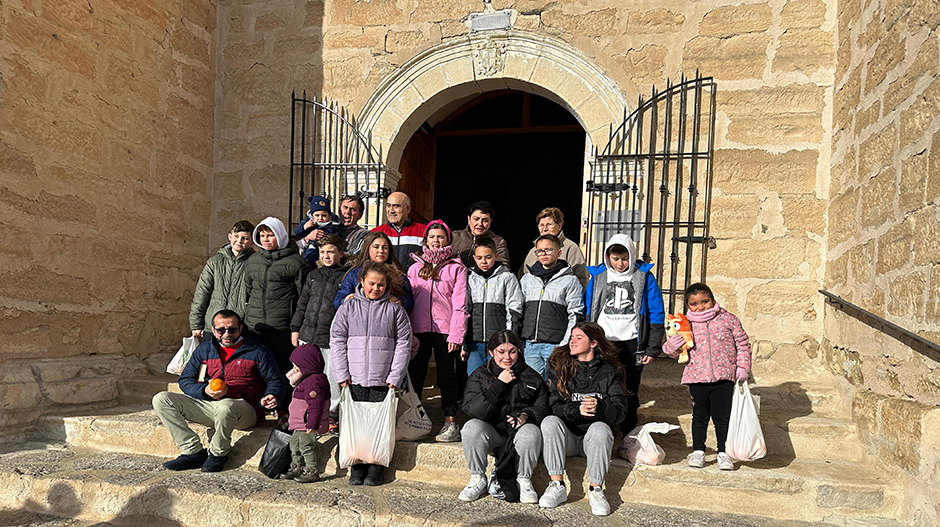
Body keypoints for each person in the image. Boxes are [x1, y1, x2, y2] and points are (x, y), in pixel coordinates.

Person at [153, 310, 285, 473]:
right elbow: (185, 379)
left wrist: (272, 396)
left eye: (232, 329)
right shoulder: (204, 350)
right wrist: (204, 391)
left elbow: (276, 381)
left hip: (244, 411)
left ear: (240, 328)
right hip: (210, 406)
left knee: (226, 406)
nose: (226, 334)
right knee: (161, 398)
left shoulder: (258, 351)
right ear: (213, 330)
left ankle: (218, 454)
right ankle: (192, 451)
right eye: (221, 330)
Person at [330, 261, 413, 486]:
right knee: (356, 425)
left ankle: (376, 466)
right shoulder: (348, 307)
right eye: (371, 284)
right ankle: (357, 466)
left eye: (381, 285)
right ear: (362, 282)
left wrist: (395, 376)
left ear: (387, 286)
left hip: (383, 379)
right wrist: (341, 372)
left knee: (378, 425)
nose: (375, 289)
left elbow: (404, 344)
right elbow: (337, 340)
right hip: (354, 378)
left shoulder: (395, 310)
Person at [538, 322, 627, 516]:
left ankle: (596, 489)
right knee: (549, 422)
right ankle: (557, 484)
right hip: (567, 439)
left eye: (579, 337)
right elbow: (553, 405)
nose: (573, 341)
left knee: (601, 429)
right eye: (572, 337)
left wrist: (600, 406)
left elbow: (620, 412)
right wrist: (577, 409)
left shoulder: (610, 372)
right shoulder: (559, 367)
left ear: (594, 343)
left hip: (594, 443)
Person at [662, 283, 752, 471]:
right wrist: (672, 345)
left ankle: (723, 452)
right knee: (700, 416)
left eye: (705, 301)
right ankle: (698, 451)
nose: (700, 307)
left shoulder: (728, 319)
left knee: (722, 416)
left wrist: (743, 365)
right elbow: (671, 352)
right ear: (687, 305)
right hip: (697, 377)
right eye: (694, 304)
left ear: (712, 299)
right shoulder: (684, 324)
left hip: (724, 377)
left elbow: (743, 344)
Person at [584, 234, 665, 435]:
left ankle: (628, 433)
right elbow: (588, 308)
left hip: (632, 342)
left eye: (625, 258)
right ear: (608, 256)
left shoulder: (643, 276)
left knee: (629, 388)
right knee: (601, 386)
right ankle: (603, 432)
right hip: (603, 341)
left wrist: (652, 346)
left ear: (632, 255)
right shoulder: (599, 276)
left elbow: (656, 311)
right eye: (615, 259)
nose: (620, 264)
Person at [459, 330, 547, 504]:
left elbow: (544, 407)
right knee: (471, 427)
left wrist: (526, 415)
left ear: (519, 351)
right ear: (491, 352)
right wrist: (498, 384)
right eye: (501, 352)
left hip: (519, 435)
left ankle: (524, 479)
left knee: (531, 431)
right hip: (494, 433)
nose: (507, 357)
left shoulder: (532, 376)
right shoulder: (480, 375)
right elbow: (472, 409)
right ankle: (477, 477)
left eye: (512, 351)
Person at [407, 220, 470, 442]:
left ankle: (450, 422)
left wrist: (456, 335)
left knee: (446, 376)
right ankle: (412, 419)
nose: (436, 240)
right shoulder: (415, 267)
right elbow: (409, 300)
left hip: (445, 330)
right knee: (416, 374)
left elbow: (461, 304)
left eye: (440, 237)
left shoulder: (456, 268)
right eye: (432, 236)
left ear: (447, 240)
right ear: (426, 240)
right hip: (419, 329)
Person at [290, 234, 348, 433]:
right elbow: (302, 303)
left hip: (330, 338)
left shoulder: (346, 275)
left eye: (331, 252)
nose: (326, 256)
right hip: (307, 334)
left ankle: (330, 415)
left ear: (340, 253)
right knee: (303, 377)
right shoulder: (313, 275)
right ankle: (304, 411)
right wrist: (295, 329)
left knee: (331, 378)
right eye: (322, 252)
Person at [244, 217, 310, 376]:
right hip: (255, 327)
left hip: (281, 328)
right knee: (256, 371)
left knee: (282, 370)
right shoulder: (252, 260)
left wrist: (297, 325)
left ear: (280, 236)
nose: (266, 239)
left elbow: (304, 296)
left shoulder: (296, 263)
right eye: (262, 235)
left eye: (270, 235)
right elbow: (247, 291)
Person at [520, 234, 584, 378]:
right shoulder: (527, 280)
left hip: (555, 345)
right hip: (530, 345)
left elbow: (575, 314)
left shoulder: (570, 281)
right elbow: (519, 312)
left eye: (548, 250)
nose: (543, 254)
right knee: (533, 386)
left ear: (559, 252)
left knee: (555, 385)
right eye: (539, 251)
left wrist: (565, 343)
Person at [464, 238, 523, 375]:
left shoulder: (507, 278)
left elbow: (514, 311)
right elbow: (464, 310)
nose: (484, 262)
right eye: (479, 258)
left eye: (488, 257)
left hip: (499, 342)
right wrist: (463, 342)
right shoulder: (469, 278)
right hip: (474, 341)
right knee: (475, 376)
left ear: (496, 256)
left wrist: (510, 339)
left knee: (499, 376)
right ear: (474, 258)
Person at [189, 220, 255, 340]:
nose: (239, 241)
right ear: (230, 237)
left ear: (252, 242)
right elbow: (202, 293)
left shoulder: (254, 263)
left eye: (244, 238)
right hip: (214, 326)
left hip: (239, 327)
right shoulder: (214, 262)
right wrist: (196, 323)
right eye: (236, 236)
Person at [282, 343, 329, 483]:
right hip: (299, 423)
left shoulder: (314, 382)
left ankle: (312, 470)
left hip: (307, 423)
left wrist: (312, 424)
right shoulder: (306, 379)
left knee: (306, 446)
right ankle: (297, 466)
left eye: (297, 365)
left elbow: (316, 405)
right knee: (294, 444)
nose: (295, 368)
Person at [334, 231, 414, 313]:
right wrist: (344, 300)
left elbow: (409, 300)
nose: (381, 251)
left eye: (385, 247)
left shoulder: (398, 275)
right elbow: (338, 300)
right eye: (376, 247)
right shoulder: (354, 274)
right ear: (367, 248)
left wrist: (400, 300)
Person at [519, 207, 588, 288]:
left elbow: (581, 280)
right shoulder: (533, 251)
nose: (544, 229)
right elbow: (523, 278)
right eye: (541, 225)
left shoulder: (571, 248)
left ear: (559, 226)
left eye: (549, 225)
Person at [372, 191, 426, 271]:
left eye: (396, 206)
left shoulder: (423, 231)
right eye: (388, 206)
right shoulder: (376, 232)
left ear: (408, 209)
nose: (391, 210)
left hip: (413, 282)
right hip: (383, 282)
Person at [451, 201, 510, 267]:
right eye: (476, 219)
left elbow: (504, 268)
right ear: (469, 219)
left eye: (485, 220)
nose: (480, 224)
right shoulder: (454, 237)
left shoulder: (498, 242)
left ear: (490, 222)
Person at [293, 195, 341, 268]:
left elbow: (336, 238)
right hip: (311, 247)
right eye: (317, 215)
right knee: (310, 259)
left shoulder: (332, 226)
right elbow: (297, 233)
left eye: (324, 215)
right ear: (312, 215)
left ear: (329, 216)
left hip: (325, 249)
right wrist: (304, 227)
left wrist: (327, 237)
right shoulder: (308, 222)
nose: (320, 218)